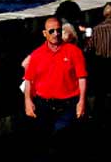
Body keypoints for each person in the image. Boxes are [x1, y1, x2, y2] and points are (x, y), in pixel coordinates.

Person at [23, 15, 87, 160]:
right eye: (51, 31)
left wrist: (82, 102)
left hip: (68, 104)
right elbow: (29, 80)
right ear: (44, 33)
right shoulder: (37, 55)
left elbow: (82, 78)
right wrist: (28, 101)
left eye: (58, 30)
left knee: (63, 141)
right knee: (43, 144)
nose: (56, 34)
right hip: (43, 104)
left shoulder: (73, 52)